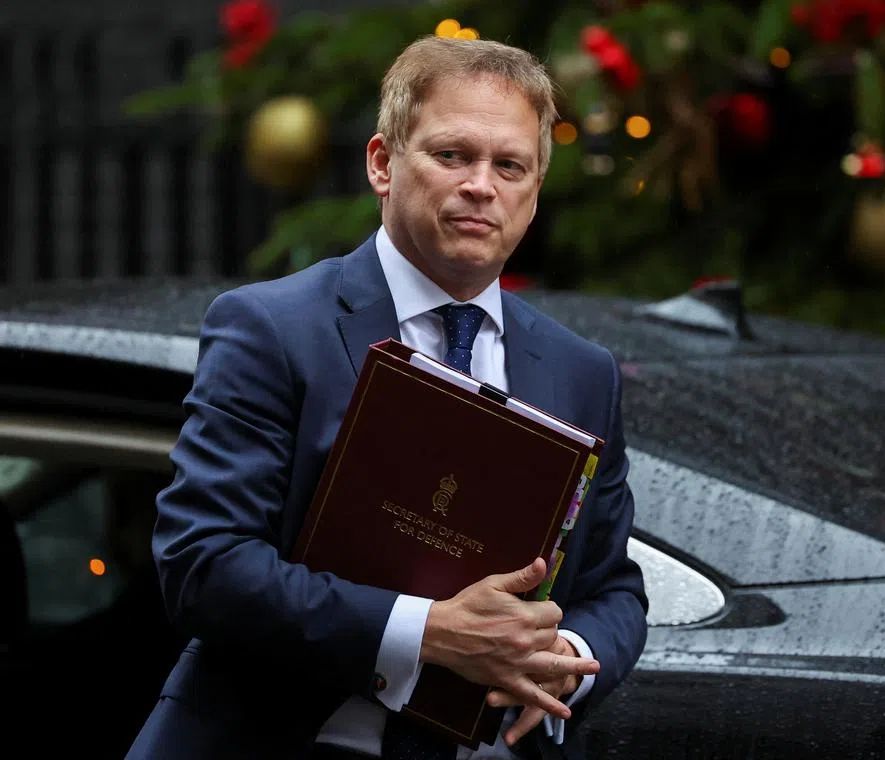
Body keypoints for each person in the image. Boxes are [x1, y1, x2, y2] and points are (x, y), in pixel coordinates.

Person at [125, 34, 648, 760]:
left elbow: (615, 588)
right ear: (382, 163)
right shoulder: (273, 329)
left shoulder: (581, 371)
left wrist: (564, 656)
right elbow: (203, 564)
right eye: (452, 155)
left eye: (509, 166)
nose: (480, 186)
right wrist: (430, 633)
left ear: (534, 191)